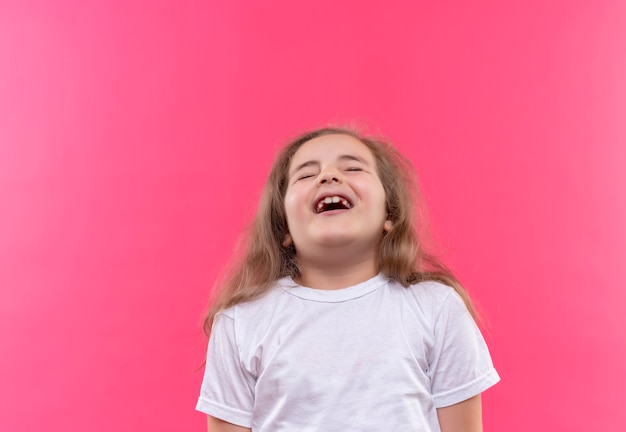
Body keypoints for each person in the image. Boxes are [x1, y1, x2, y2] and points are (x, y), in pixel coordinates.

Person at [196, 127, 500, 432]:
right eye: (305, 175)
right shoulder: (241, 321)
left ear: (388, 215)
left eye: (353, 168)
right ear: (284, 226)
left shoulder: (437, 307)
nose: (328, 176)